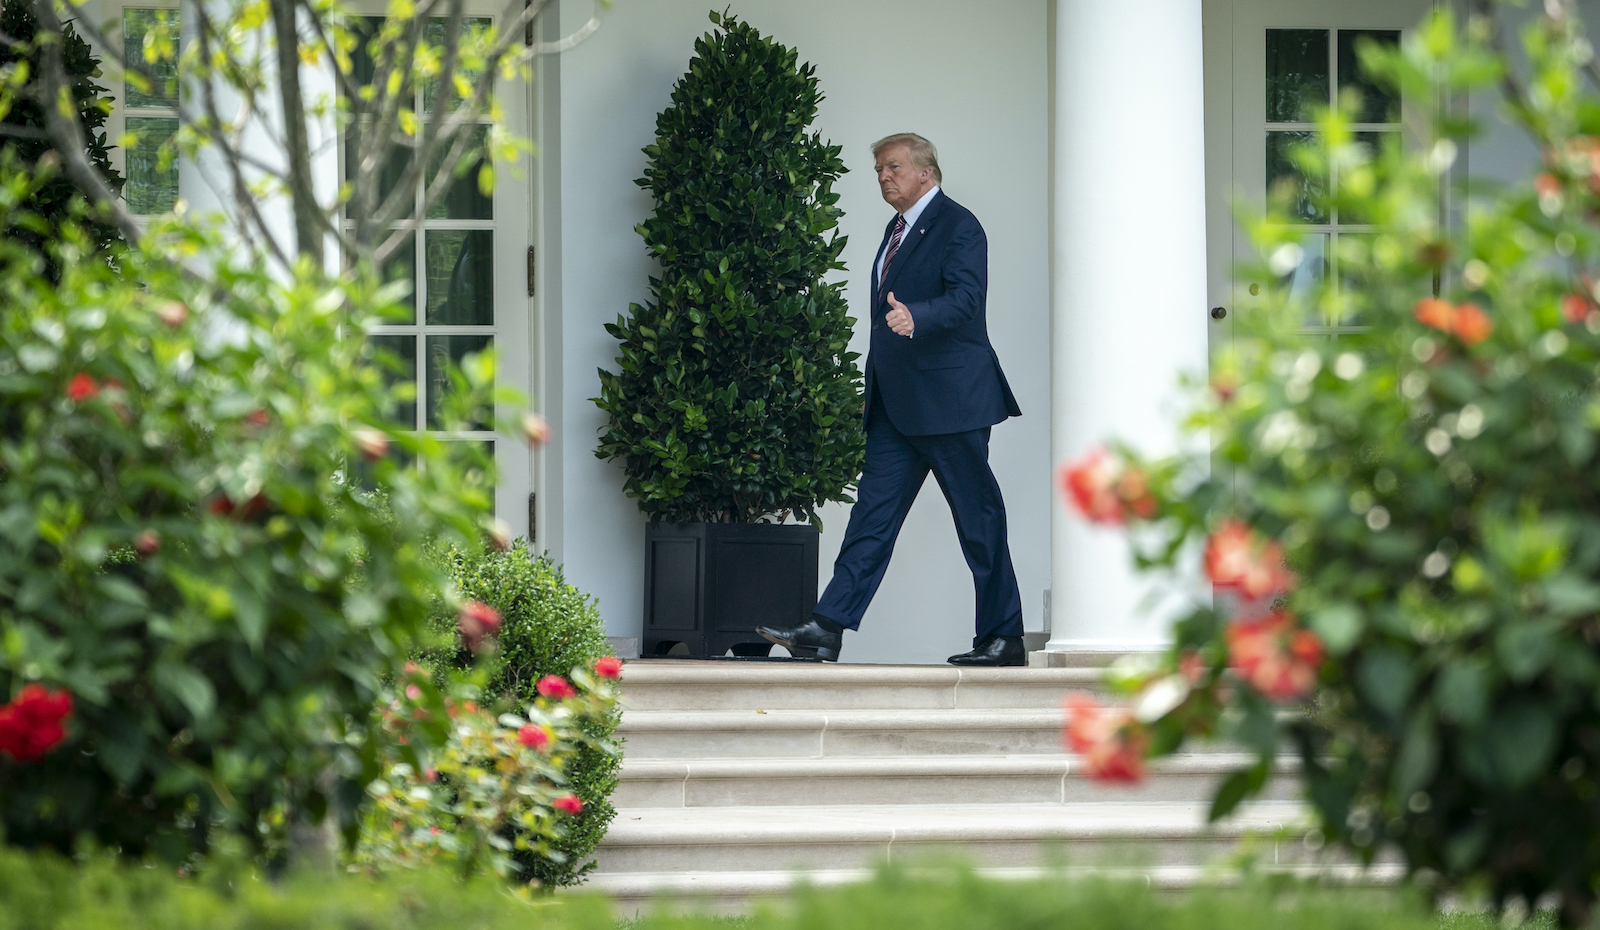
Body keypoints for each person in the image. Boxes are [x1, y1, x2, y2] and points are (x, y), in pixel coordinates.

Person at [757, 133, 1025, 667]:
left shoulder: (959, 225)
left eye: (894, 167)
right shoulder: (895, 229)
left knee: (979, 520)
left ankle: (1003, 637)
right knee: (870, 521)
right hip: (896, 408)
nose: (884, 176)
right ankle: (825, 628)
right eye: (879, 169)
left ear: (926, 172)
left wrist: (917, 316)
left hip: (951, 403)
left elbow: (967, 299)